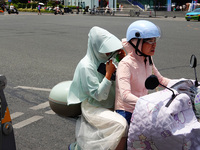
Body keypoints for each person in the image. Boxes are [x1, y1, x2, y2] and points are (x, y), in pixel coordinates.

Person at [67, 26, 127, 150]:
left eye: (111, 50)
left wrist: (124, 61)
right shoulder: (86, 66)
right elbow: (99, 96)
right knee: (121, 125)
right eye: (106, 51)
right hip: (94, 107)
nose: (110, 54)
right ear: (95, 48)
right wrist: (108, 74)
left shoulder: (108, 59)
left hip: (112, 104)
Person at [115, 20, 170, 125]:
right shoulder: (125, 64)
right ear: (136, 42)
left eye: (155, 41)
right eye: (150, 41)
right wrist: (149, 104)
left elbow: (160, 80)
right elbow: (125, 96)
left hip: (143, 108)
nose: (154, 45)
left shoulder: (147, 59)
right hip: (126, 112)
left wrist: (185, 83)